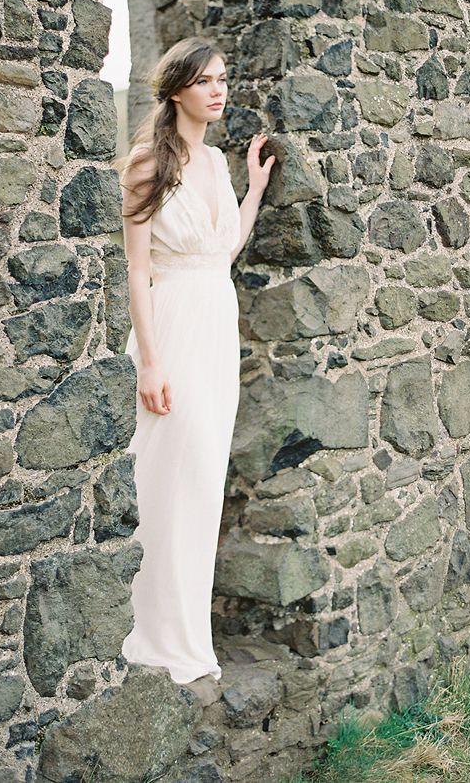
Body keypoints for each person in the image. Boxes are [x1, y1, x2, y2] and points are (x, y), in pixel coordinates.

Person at [117, 36, 275, 685]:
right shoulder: (146, 163)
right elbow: (137, 270)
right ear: (177, 89)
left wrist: (254, 190)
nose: (218, 90)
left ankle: (188, 632)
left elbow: (222, 250)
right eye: (205, 80)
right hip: (173, 330)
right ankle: (150, 629)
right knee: (165, 480)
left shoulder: (214, 162)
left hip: (216, 331)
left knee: (204, 481)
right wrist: (150, 363)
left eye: (223, 79)